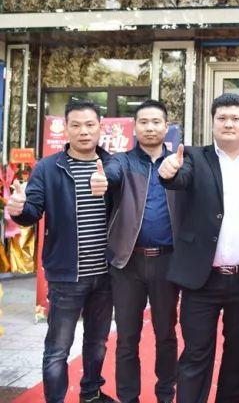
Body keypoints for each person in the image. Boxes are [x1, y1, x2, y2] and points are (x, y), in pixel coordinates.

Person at [158, 93, 239, 403]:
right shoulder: (194, 157)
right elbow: (179, 177)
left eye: (235, 118)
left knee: (238, 357)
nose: (228, 124)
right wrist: (169, 172)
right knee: (195, 355)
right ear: (213, 123)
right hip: (202, 280)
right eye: (222, 118)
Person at [7, 99, 116, 403]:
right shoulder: (48, 167)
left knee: (97, 342)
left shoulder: (113, 165)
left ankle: (90, 394)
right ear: (65, 128)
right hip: (67, 275)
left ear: (100, 127)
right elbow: (32, 211)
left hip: (106, 275)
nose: (84, 131)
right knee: (58, 348)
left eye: (90, 125)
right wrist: (19, 209)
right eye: (76, 125)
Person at [89, 99, 184, 403]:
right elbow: (111, 173)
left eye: (156, 122)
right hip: (127, 263)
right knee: (127, 337)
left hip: (167, 262)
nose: (150, 127)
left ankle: (165, 394)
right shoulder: (123, 162)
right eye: (143, 122)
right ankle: (129, 397)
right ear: (135, 127)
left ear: (166, 127)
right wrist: (102, 179)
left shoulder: (178, 163)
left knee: (166, 334)